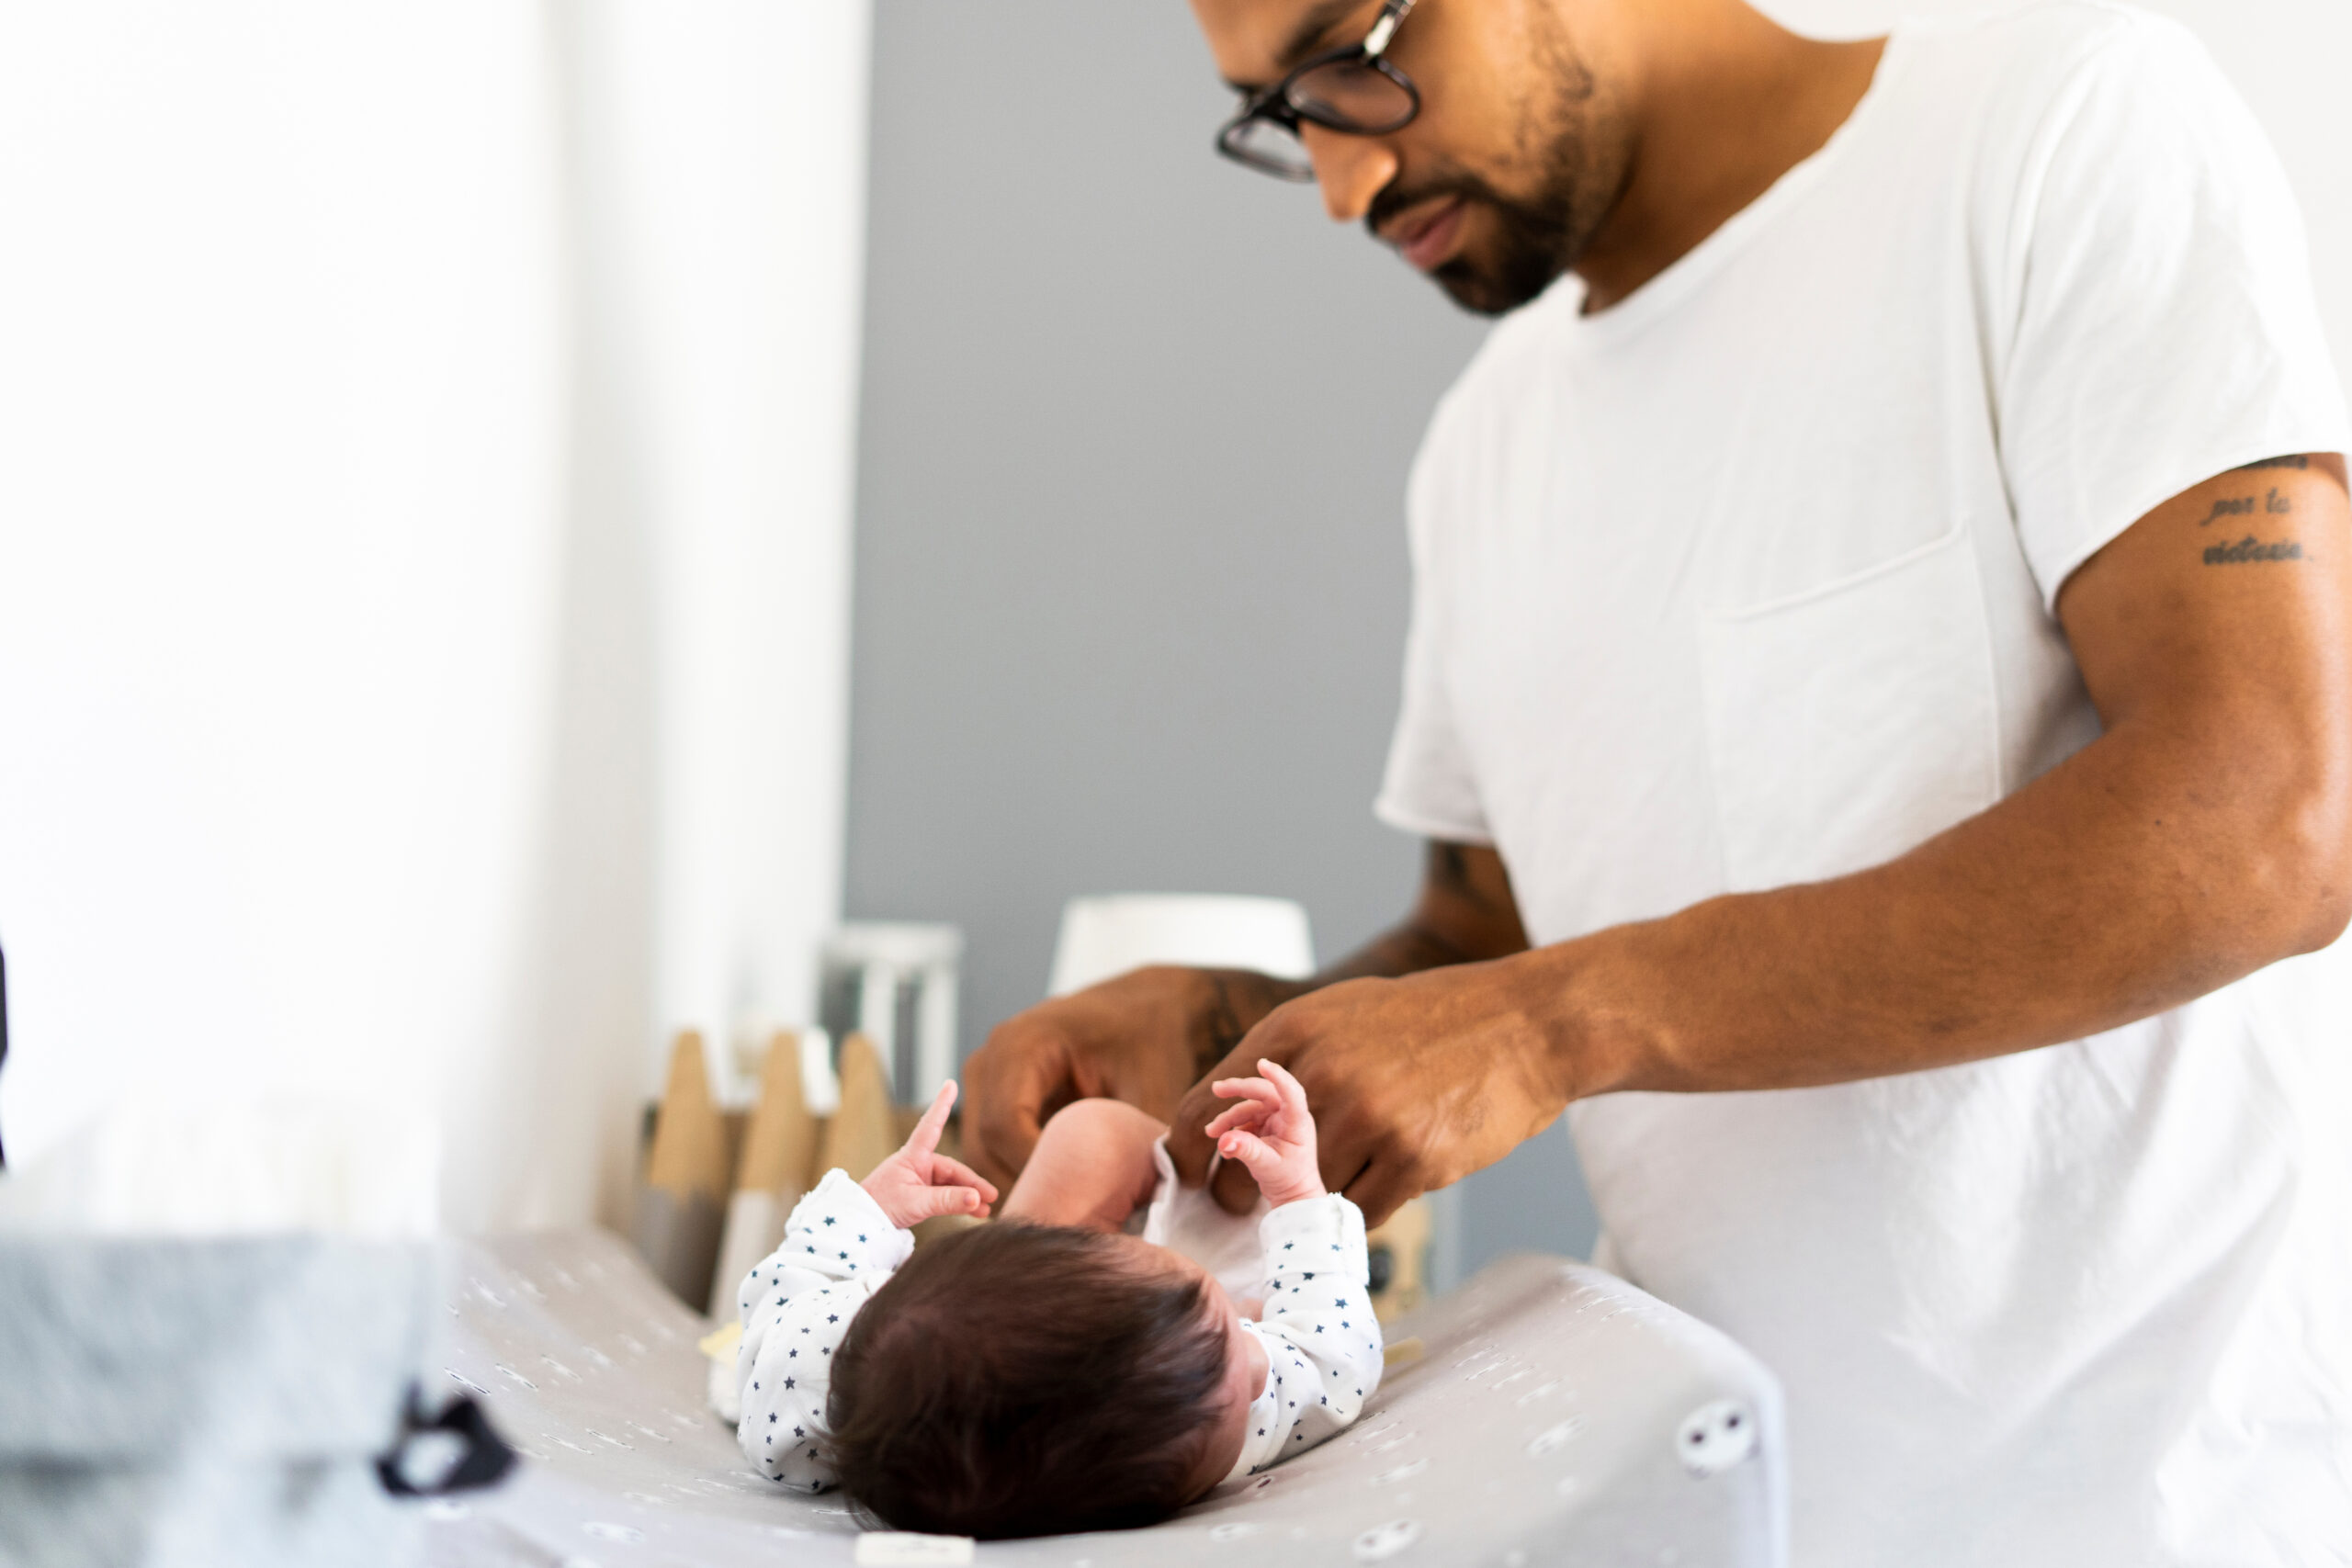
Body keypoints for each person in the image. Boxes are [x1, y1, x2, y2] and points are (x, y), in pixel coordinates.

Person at [960, 0, 2352, 1561]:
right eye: (1283, 115)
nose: (1343, 184)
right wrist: (1225, 1028)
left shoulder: (2057, 132)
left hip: (2161, 1505)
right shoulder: (1486, 447)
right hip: (1718, 1508)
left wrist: (1560, 1022)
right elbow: (1487, 935)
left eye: (1346, 53)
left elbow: (2271, 819)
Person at [730, 1077, 1381, 1539]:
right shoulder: (1208, 1425)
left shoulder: (807, 1372)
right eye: (1248, 1366)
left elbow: (796, 1281)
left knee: (1087, 1141)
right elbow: (1333, 1355)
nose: (1265, 1369)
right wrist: (1299, 1197)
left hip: (910, 1306)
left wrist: (869, 1210)